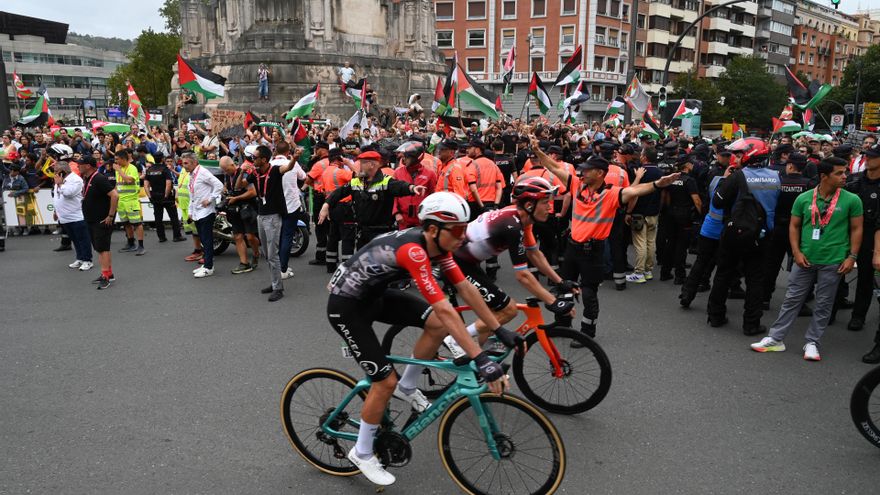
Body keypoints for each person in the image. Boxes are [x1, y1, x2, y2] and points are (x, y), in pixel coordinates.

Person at [326, 191, 519, 486]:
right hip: (347, 307)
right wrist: (480, 358)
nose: (463, 237)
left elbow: (466, 289)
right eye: (457, 230)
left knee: (437, 325)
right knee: (383, 382)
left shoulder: (437, 245)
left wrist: (498, 328)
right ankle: (362, 452)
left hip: (374, 296)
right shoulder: (414, 251)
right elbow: (444, 306)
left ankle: (408, 386)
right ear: (432, 229)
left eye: (465, 229)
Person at [531, 136, 681, 339]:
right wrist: (538, 152)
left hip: (592, 252)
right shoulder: (577, 185)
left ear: (600, 173)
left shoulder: (611, 194)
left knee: (589, 293)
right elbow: (554, 167)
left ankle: (587, 332)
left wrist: (657, 184)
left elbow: (635, 190)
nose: (582, 173)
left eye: (587, 170)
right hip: (573, 248)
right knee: (564, 288)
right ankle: (563, 325)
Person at [444, 176, 576, 354]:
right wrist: (553, 302)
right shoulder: (512, 226)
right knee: (508, 310)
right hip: (455, 263)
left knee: (494, 313)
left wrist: (561, 282)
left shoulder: (521, 218)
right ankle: (456, 340)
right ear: (529, 205)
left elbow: (534, 254)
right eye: (545, 203)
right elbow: (523, 276)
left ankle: (481, 357)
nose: (550, 208)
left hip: (467, 262)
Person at [751, 157, 863, 361]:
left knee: (824, 303)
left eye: (845, 172)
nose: (844, 176)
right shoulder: (804, 198)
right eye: (839, 173)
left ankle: (812, 342)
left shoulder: (852, 200)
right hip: (805, 258)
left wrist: (852, 257)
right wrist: (796, 252)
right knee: (792, 299)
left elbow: (857, 229)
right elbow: (794, 226)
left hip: (834, 260)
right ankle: (776, 338)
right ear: (824, 176)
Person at [706, 138, 780, 335]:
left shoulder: (738, 176)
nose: (736, 158)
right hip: (762, 235)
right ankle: (752, 324)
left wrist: (724, 180)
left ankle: (715, 315)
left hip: (734, 234)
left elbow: (718, 202)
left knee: (724, 274)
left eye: (739, 155)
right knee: (755, 279)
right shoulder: (776, 177)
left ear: (748, 155)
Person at [319, 150, 427, 249]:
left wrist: (412, 188)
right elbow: (338, 193)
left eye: (362, 163)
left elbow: (399, 186)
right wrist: (326, 205)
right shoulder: (357, 182)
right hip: (363, 234)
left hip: (382, 234)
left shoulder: (386, 181)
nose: (359, 166)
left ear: (371, 165)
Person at [845, 143, 880, 362]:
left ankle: (858, 315)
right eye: (867, 155)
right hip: (847, 232)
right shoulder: (854, 180)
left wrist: (877, 250)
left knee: (866, 279)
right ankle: (834, 308)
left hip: (872, 236)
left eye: (873, 156)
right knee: (837, 270)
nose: (868, 159)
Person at [253, 145, 300, 301]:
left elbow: (288, 168)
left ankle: (278, 288)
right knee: (267, 254)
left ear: (264, 159)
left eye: (255, 157)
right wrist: (241, 172)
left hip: (273, 217)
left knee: (273, 254)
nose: (252, 160)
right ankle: (274, 283)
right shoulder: (256, 173)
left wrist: (294, 159)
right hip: (261, 216)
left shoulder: (274, 170)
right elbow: (241, 185)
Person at [659, 155, 702, 284]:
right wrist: (702, 215)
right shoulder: (690, 180)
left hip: (671, 213)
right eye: (691, 163)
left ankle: (665, 272)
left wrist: (667, 210)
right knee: (681, 246)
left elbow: (665, 197)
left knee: (670, 242)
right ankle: (680, 276)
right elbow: (696, 200)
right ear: (687, 165)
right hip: (684, 215)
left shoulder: (672, 178)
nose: (693, 165)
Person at [78, 156, 118, 290]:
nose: (78, 166)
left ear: (88, 166)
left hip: (101, 219)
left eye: (80, 164)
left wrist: (110, 215)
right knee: (100, 248)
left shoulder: (99, 178)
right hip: (92, 219)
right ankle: (108, 273)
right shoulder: (87, 178)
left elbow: (115, 195)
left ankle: (105, 276)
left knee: (102, 248)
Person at [182, 152, 224, 278]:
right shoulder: (192, 174)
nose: (184, 166)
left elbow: (219, 185)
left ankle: (209, 267)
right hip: (197, 213)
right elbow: (192, 195)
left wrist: (210, 199)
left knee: (207, 240)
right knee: (203, 241)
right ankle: (206, 264)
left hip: (206, 212)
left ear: (194, 162)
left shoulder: (203, 172)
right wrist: (190, 212)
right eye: (183, 163)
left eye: (186, 163)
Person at [626, 147, 663, 283]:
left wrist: (628, 212)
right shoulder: (660, 172)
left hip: (639, 212)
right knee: (650, 242)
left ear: (645, 157)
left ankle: (639, 273)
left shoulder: (640, 172)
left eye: (641, 154)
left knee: (640, 243)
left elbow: (633, 193)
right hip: (654, 212)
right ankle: (648, 271)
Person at [220, 156, 260, 274]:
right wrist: (225, 190)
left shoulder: (244, 173)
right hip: (234, 210)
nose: (226, 172)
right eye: (224, 170)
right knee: (238, 236)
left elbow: (253, 192)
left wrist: (236, 198)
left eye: (227, 169)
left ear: (233, 165)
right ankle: (244, 263)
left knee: (250, 236)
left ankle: (256, 253)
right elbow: (229, 185)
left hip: (248, 208)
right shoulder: (228, 175)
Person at [52, 161, 93, 271]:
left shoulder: (76, 180)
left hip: (76, 216)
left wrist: (60, 184)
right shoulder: (59, 180)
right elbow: (57, 196)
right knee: (75, 239)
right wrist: (56, 210)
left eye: (56, 171)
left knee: (83, 239)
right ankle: (80, 258)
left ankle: (87, 260)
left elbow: (69, 193)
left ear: (63, 171)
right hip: (64, 217)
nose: (54, 173)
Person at [277, 143, 308, 280]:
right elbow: (303, 176)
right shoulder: (293, 164)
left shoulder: (269, 164)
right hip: (291, 206)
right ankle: (282, 269)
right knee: (287, 236)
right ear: (287, 152)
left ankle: (278, 267)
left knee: (276, 237)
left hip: (274, 206)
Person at [392, 141, 437, 229]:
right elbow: (394, 194)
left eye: (406, 157)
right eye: (403, 156)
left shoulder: (430, 174)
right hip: (403, 218)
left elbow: (432, 196)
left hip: (421, 218)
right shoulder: (398, 172)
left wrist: (428, 215)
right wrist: (396, 213)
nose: (403, 159)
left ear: (416, 158)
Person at [143, 153, 183, 243]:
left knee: (158, 218)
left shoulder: (149, 170)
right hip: (167, 197)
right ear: (162, 159)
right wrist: (166, 195)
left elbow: (146, 185)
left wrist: (149, 197)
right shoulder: (165, 169)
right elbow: (168, 184)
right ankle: (177, 236)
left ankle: (161, 237)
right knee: (173, 217)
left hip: (155, 196)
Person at [113, 149, 145, 255]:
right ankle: (131, 243)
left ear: (123, 159)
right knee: (126, 224)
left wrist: (119, 171)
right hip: (121, 201)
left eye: (117, 159)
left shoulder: (132, 168)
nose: (115, 161)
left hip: (131, 200)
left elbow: (129, 180)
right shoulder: (119, 169)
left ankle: (141, 246)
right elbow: (118, 184)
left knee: (137, 224)